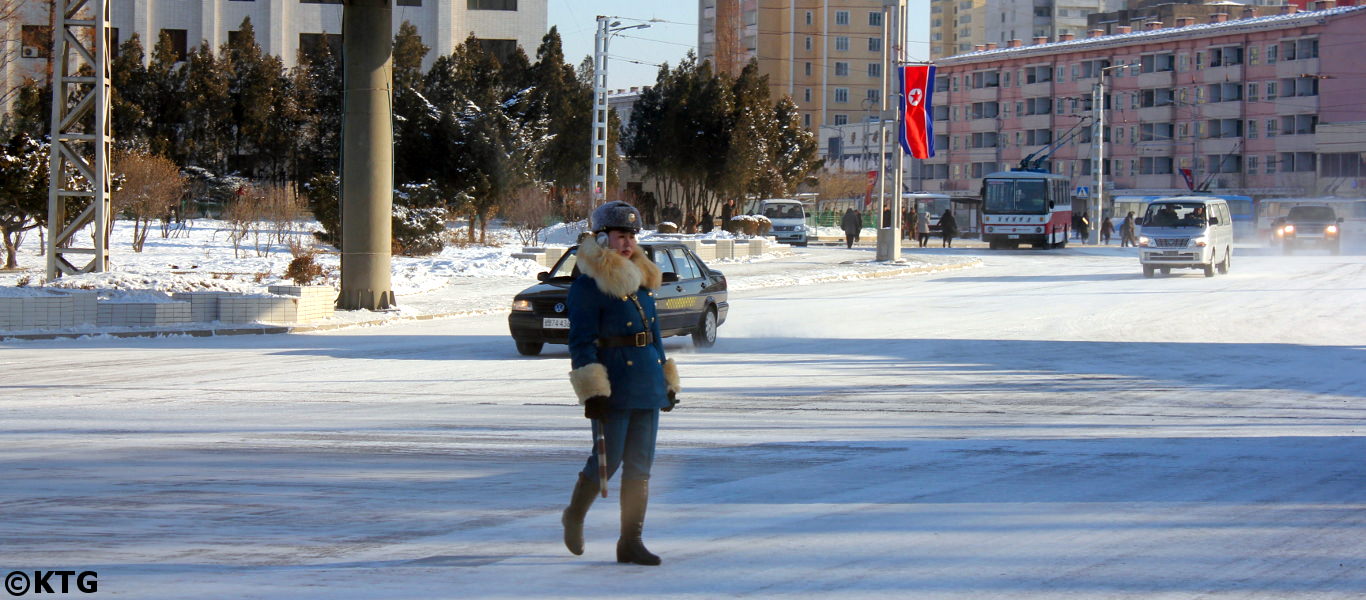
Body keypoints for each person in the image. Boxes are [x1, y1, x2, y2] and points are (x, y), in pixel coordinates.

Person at [562, 201, 681, 567]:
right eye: (620, 236)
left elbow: (655, 336)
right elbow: (581, 341)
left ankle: (631, 541)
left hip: (646, 380)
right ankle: (574, 515)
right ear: (602, 238)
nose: (627, 243)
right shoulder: (589, 285)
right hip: (613, 383)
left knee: (640, 467)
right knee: (608, 460)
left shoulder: (642, 280)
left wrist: (667, 380)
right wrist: (592, 389)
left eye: (631, 236)